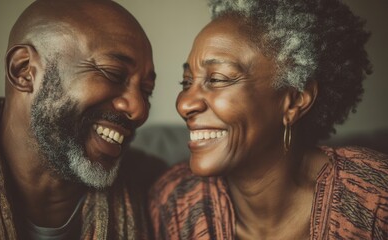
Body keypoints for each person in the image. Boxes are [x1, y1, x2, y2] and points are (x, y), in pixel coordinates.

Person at [149, 0, 388, 239]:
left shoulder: (375, 201)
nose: (184, 104)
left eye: (218, 79)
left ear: (294, 101)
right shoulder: (175, 204)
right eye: (186, 82)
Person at [0, 0, 166, 239]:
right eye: (113, 73)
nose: (139, 110)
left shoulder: (154, 188)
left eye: (146, 91)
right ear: (24, 70)